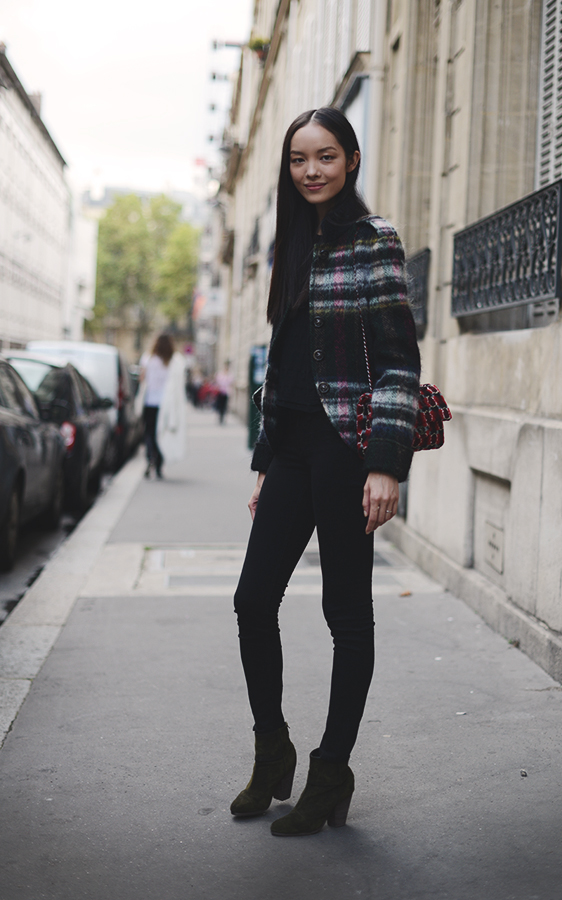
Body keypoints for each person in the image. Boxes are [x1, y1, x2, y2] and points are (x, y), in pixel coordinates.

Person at [230, 108, 421, 837]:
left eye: (326, 156)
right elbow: (279, 366)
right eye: (299, 159)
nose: (311, 170)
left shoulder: (374, 241)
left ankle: (331, 768)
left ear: (352, 160)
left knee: (345, 615)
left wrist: (386, 466)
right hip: (291, 449)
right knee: (252, 601)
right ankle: (272, 750)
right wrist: (264, 460)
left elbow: (398, 362)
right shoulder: (292, 240)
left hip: (346, 449)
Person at [140, 334, 186, 478]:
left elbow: (142, 378)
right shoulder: (174, 361)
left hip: (149, 402)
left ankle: (150, 458)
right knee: (161, 433)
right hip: (165, 404)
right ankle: (159, 465)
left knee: (149, 432)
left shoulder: (148, 358)